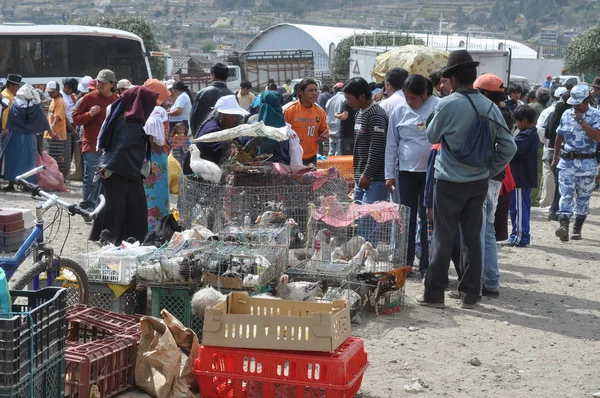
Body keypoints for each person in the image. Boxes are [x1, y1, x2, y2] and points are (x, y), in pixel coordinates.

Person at [418, 50, 516, 309]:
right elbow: (509, 147)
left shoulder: (447, 104)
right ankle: (470, 296)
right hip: (478, 184)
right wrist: (488, 169)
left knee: (443, 237)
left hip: (448, 182)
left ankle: (434, 296)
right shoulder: (490, 106)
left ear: (453, 78)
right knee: (473, 239)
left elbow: (431, 137)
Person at [90, 86, 158, 245]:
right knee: (121, 208)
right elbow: (124, 147)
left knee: (126, 207)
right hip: (121, 170)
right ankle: (113, 239)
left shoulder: (124, 117)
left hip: (121, 170)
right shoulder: (132, 124)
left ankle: (121, 239)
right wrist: (111, 166)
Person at [385, 74, 438, 276]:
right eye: (407, 97)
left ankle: (426, 264)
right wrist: (389, 173)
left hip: (430, 174)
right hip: (406, 173)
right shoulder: (399, 111)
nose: (410, 102)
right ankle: (406, 263)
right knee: (407, 218)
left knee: (428, 219)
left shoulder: (438, 106)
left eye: (413, 98)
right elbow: (391, 145)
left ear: (424, 94)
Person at [473, 73, 512, 296]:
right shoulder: (505, 113)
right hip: (497, 178)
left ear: (485, 94)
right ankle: (491, 280)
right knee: (487, 230)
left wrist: (487, 170)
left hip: (485, 177)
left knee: (477, 231)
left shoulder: (488, 114)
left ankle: (476, 282)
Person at [551, 84, 600, 241]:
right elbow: (560, 135)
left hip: (587, 163)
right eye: (573, 103)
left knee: (583, 197)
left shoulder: (596, 115)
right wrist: (555, 156)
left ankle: (577, 227)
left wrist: (582, 122)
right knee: (565, 193)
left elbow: (598, 137)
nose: (575, 106)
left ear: (587, 101)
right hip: (567, 162)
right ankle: (563, 225)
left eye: (578, 103)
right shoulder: (566, 114)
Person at [73, 69, 119, 212]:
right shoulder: (88, 98)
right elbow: (75, 119)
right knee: (90, 177)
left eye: (104, 82)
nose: (100, 84)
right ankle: (87, 206)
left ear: (111, 84)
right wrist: (89, 114)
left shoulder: (116, 100)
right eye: (98, 81)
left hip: (109, 147)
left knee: (107, 177)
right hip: (91, 144)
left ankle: (103, 207)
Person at [343, 77, 388, 204]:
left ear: (362, 96)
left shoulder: (376, 115)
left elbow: (377, 148)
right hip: (360, 177)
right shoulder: (359, 113)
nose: (347, 103)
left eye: (349, 98)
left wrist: (367, 174)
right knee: (358, 219)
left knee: (368, 220)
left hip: (374, 179)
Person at [183, 95, 249, 174]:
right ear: (221, 115)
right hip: (197, 172)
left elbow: (237, 143)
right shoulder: (213, 129)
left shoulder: (223, 126)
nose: (235, 119)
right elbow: (227, 151)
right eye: (232, 116)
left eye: (236, 116)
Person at [2, 84, 50, 191]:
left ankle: (11, 183)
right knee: (28, 160)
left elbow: (10, 119)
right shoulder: (35, 105)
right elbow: (42, 120)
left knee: (12, 158)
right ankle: (27, 184)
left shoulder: (15, 103)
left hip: (14, 136)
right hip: (29, 137)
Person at [503, 105, 539, 248]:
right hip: (524, 177)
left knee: (518, 209)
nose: (516, 125)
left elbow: (511, 148)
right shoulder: (531, 134)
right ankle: (522, 235)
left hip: (520, 178)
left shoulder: (526, 136)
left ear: (524, 121)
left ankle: (519, 236)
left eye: (517, 121)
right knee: (521, 207)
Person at [143, 79, 172, 232]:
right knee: (158, 194)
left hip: (146, 157)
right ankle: (157, 229)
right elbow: (155, 140)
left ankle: (147, 227)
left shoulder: (143, 109)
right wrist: (159, 146)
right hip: (157, 158)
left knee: (148, 194)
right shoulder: (158, 111)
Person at [536, 86, 568, 210]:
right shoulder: (570, 112)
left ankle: (548, 202)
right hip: (562, 149)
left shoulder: (548, 111)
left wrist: (546, 142)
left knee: (549, 173)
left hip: (550, 148)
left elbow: (541, 129)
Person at [283, 78, 328, 165]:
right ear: (300, 92)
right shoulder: (288, 110)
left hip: (311, 157)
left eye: (316, 90)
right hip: (290, 157)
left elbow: (324, 130)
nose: (315, 93)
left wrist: (324, 135)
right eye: (311, 90)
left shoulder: (320, 111)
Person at [190, 63, 233, 136]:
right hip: (224, 139)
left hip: (203, 138)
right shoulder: (232, 96)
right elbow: (236, 121)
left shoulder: (201, 93)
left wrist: (197, 137)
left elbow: (193, 118)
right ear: (226, 77)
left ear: (212, 75)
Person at [547, 92, 572, 221]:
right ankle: (556, 211)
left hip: (551, 152)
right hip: (562, 154)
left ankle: (554, 211)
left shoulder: (553, 115)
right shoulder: (568, 118)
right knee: (562, 187)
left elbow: (547, 134)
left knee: (558, 184)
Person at [43, 81, 70, 178]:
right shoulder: (53, 100)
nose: (50, 94)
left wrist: (51, 130)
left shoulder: (60, 101)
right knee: (50, 158)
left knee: (57, 159)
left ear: (58, 91)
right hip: (50, 134)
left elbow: (57, 117)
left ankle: (58, 178)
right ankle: (52, 178)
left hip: (57, 136)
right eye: (49, 92)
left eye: (52, 92)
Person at [325, 82, 346, 156]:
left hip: (331, 128)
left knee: (331, 152)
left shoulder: (330, 100)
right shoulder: (345, 99)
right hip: (340, 129)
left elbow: (326, 113)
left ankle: (329, 167)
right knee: (338, 153)